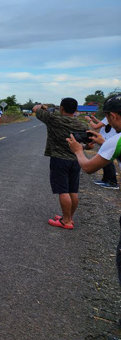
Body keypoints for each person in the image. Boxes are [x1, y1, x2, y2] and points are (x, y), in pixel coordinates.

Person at [66, 95, 121, 284]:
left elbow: (88, 167)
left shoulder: (117, 140)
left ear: (113, 115)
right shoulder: (114, 142)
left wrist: (78, 151)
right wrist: (103, 142)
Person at [33, 98, 88, 230]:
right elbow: (88, 145)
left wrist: (43, 107)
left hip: (59, 159)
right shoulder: (82, 125)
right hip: (76, 159)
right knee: (73, 190)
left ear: (61, 108)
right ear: (76, 110)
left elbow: (35, 108)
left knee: (63, 191)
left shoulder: (53, 119)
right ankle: (68, 217)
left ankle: (66, 222)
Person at [84, 114, 119, 189]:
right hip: (106, 139)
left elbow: (95, 127)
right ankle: (105, 180)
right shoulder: (109, 117)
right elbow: (104, 124)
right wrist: (95, 119)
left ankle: (112, 182)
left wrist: (88, 119)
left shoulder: (110, 116)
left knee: (108, 161)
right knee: (106, 162)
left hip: (107, 140)